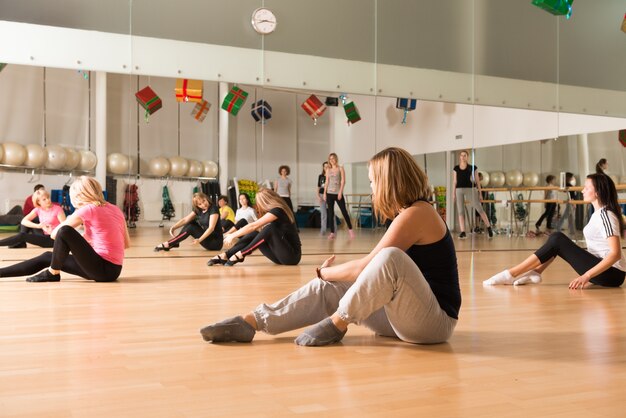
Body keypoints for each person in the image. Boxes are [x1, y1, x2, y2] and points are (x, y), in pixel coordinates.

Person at [200, 147, 461, 347]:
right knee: (330, 287)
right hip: (403, 317)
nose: (371, 188)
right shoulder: (407, 212)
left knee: (389, 259)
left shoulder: (419, 212)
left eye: (372, 181)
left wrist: (326, 272)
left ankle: (338, 323)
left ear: (388, 181)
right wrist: (327, 278)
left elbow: (367, 266)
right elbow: (369, 273)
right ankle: (253, 321)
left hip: (433, 324)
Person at [484, 173, 625, 288]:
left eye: (587, 188)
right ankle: (536, 272)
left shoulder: (606, 215)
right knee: (558, 242)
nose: (582, 190)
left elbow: (615, 254)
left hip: (613, 274)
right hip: (604, 272)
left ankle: (511, 274)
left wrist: (586, 276)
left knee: (558, 239)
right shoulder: (598, 213)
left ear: (598, 192)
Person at [0, 176, 129, 282]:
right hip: (113, 270)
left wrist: (75, 216)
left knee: (65, 231)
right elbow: (125, 243)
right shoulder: (115, 209)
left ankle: (53, 273)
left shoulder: (89, 209)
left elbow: (56, 234)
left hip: (102, 269)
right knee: (47, 256)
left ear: (79, 195)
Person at [207, 188, 301, 267]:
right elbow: (255, 228)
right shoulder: (275, 210)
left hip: (291, 257)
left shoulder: (278, 210)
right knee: (256, 233)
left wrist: (232, 235)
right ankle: (226, 255)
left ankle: (242, 254)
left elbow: (254, 225)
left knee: (269, 228)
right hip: (280, 256)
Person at [154, 192, 222, 252]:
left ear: (206, 198)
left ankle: (169, 243)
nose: (203, 205)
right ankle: (175, 242)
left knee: (191, 227)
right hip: (208, 239)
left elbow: (211, 228)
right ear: (197, 205)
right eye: (200, 204)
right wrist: (173, 227)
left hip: (215, 243)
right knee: (191, 222)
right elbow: (185, 220)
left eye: (204, 201)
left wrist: (199, 240)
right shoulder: (199, 210)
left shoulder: (213, 208)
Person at [0, 189, 66, 248]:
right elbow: (23, 221)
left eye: (48, 197)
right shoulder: (38, 209)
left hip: (53, 239)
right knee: (28, 221)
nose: (48, 200)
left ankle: (18, 242)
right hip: (43, 234)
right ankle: (21, 243)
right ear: (38, 202)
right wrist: (39, 226)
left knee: (22, 235)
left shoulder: (58, 209)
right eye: (44, 199)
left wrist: (54, 231)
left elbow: (66, 227)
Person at [452, 150, 493, 239]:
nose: (463, 157)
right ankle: (463, 232)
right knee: (460, 211)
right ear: (459, 157)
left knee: (479, 208)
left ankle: (489, 228)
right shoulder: (456, 168)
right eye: (461, 155)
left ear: (467, 157)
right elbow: (454, 182)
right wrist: (453, 193)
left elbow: (477, 181)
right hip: (459, 190)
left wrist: (480, 193)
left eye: (465, 155)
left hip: (470, 189)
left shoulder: (473, 167)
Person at [324, 153, 354, 240]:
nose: (331, 160)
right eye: (330, 159)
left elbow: (343, 181)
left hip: (338, 193)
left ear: (336, 159)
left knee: (344, 211)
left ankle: (350, 229)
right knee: (330, 213)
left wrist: (340, 192)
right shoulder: (328, 170)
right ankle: (332, 232)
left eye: (333, 158)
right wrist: (325, 193)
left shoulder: (340, 168)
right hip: (329, 194)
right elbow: (327, 182)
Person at [317, 161, 336, 235]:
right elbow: (318, 187)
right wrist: (318, 196)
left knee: (332, 213)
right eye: (325, 166)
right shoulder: (320, 176)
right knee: (323, 214)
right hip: (322, 195)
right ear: (323, 167)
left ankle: (334, 230)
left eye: (328, 166)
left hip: (330, 195)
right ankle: (323, 231)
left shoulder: (332, 175)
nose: (326, 168)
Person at [554, 172, 576, 237]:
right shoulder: (568, 185)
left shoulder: (567, 184)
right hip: (571, 202)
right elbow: (571, 195)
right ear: (569, 178)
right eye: (571, 177)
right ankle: (559, 228)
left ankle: (571, 230)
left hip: (570, 201)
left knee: (570, 217)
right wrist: (574, 203)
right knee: (567, 216)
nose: (572, 178)